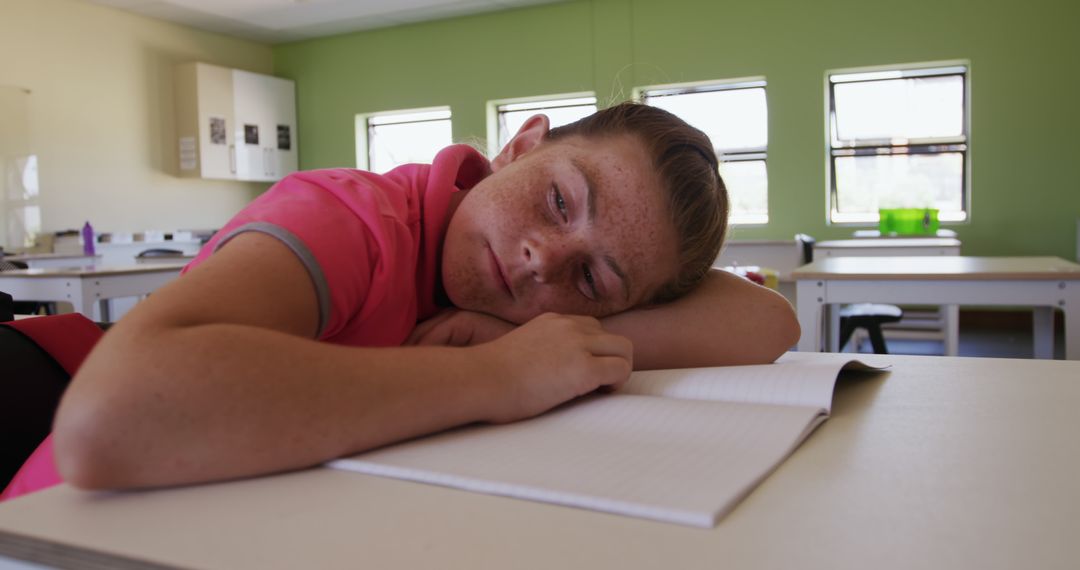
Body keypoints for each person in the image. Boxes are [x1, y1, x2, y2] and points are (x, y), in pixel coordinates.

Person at [21, 103, 798, 494]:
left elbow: (767, 320)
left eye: (592, 279)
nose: (543, 260)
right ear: (520, 146)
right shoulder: (351, 222)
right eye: (560, 200)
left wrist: (534, 343)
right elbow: (108, 423)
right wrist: (500, 377)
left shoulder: (532, 304)